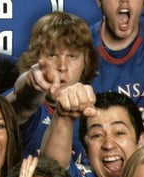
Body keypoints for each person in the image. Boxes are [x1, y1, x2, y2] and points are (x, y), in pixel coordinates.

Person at [8, 10, 99, 158]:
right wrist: (30, 83)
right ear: (35, 59)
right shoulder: (25, 103)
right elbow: (21, 101)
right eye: (52, 55)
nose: (62, 66)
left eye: (71, 56)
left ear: (86, 62)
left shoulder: (96, 109)